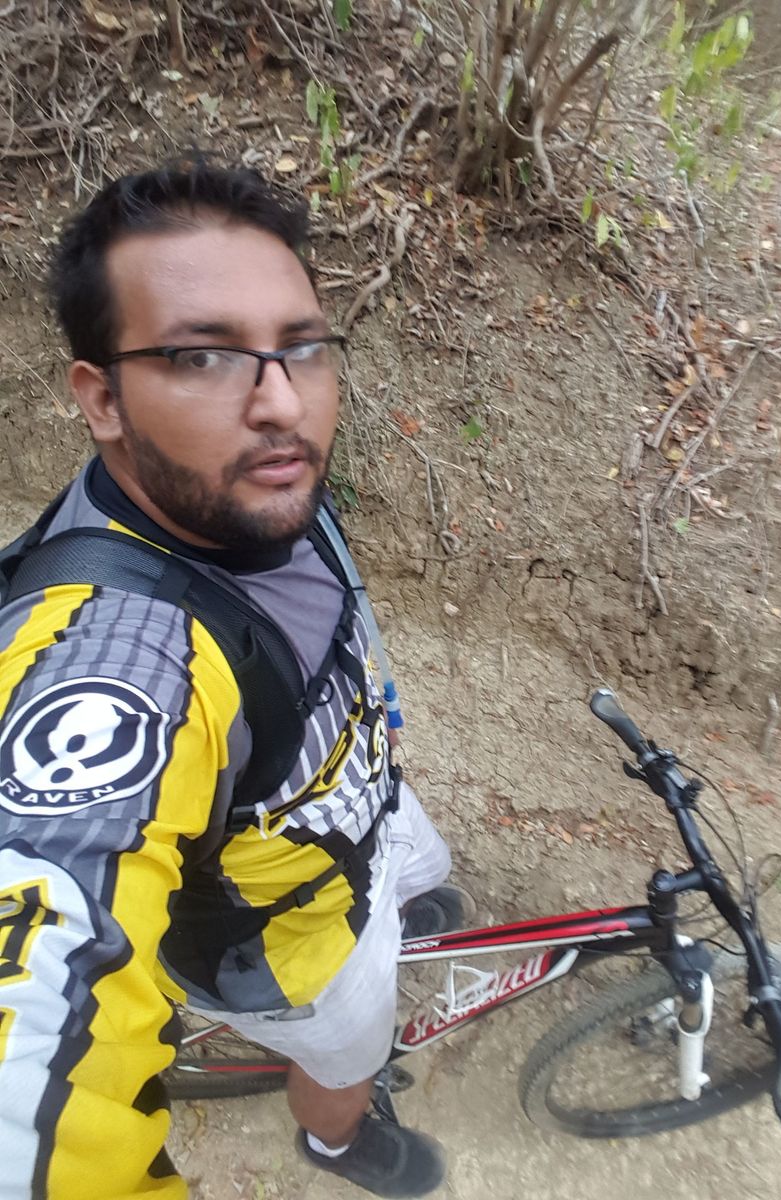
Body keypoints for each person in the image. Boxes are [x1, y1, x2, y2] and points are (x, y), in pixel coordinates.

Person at [0, 162, 463, 1200]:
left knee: (422, 875)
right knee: (351, 1050)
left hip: (364, 802)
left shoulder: (250, 484)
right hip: (293, 945)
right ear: (101, 398)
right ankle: (336, 1142)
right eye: (202, 355)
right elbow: (35, 1042)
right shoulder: (121, 657)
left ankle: (405, 901)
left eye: (301, 345)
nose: (283, 404)